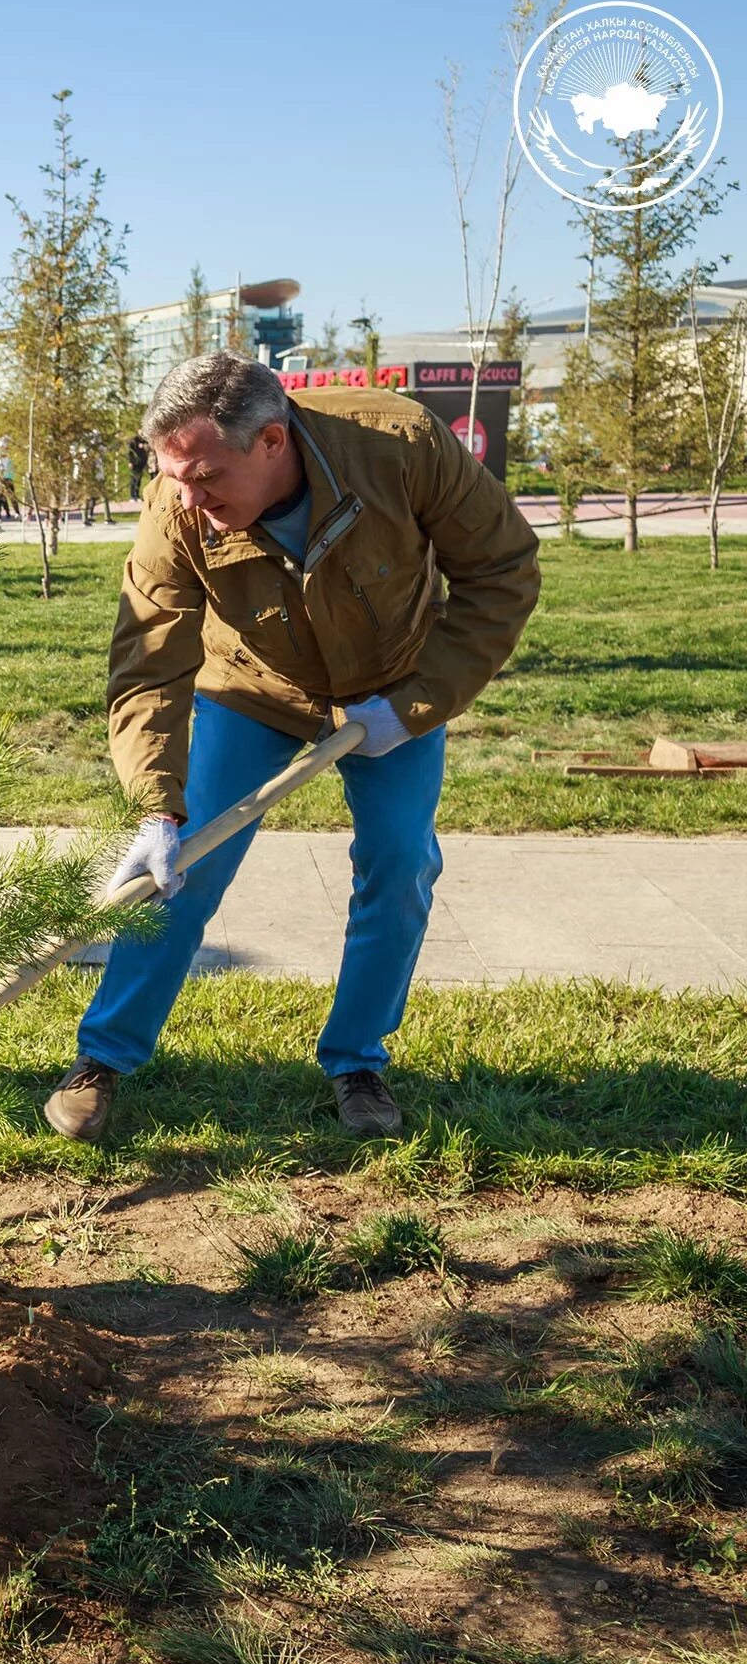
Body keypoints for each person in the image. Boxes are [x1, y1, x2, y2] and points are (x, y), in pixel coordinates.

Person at [43, 353, 539, 1144]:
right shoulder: (175, 506)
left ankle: (357, 1059)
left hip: (392, 686)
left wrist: (410, 708)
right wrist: (156, 805)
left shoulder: (402, 444)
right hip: (252, 685)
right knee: (179, 870)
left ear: (272, 441)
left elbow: (503, 571)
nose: (190, 500)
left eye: (207, 478)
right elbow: (150, 660)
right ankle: (102, 1056)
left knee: (400, 862)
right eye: (174, 478)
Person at [127, 432, 151, 502]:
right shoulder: (134, 441)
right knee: (133, 479)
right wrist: (130, 461)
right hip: (134, 463)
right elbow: (130, 452)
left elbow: (148, 448)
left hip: (141, 462)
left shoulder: (144, 441)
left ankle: (137, 495)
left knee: (139, 479)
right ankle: (132, 496)